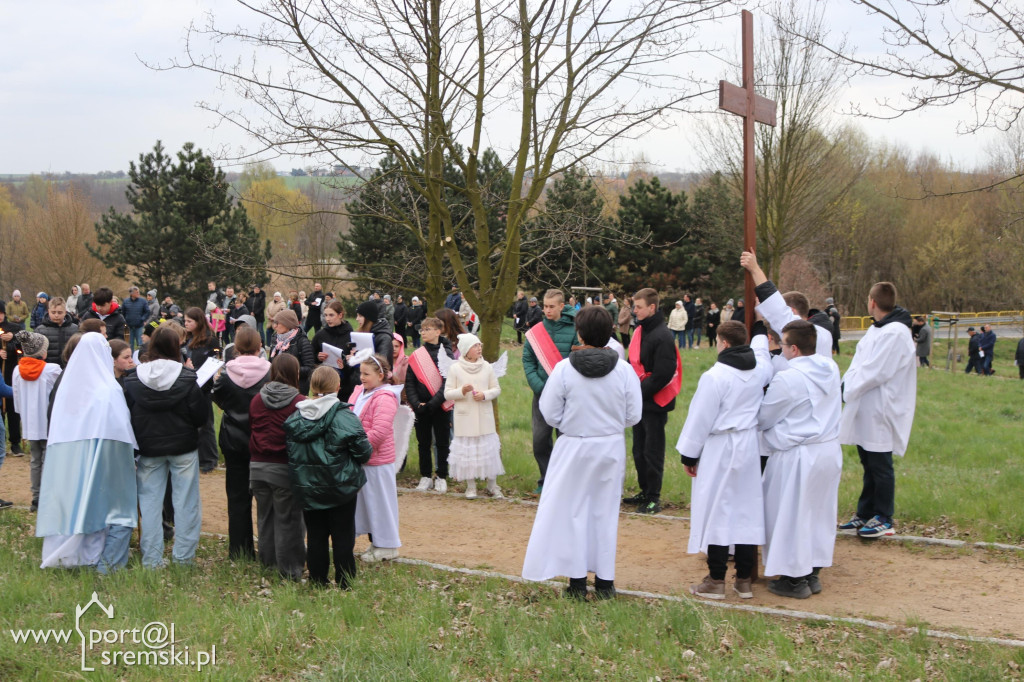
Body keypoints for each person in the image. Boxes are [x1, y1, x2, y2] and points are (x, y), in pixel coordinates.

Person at [522, 306, 642, 600]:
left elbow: (549, 412)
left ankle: (577, 584)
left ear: (580, 332)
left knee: (574, 512)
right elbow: (634, 414)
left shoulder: (564, 369)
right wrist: (607, 427)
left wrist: (575, 425)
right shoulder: (624, 371)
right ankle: (605, 584)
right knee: (604, 512)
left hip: (574, 445)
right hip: (609, 449)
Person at [675, 320, 767, 600]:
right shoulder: (760, 370)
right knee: (745, 509)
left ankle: (716, 579)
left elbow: (701, 417)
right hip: (748, 445)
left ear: (723, 343)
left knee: (718, 509)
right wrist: (761, 332)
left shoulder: (715, 376)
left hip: (721, 447)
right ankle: (743, 579)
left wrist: (689, 454)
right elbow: (762, 353)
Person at [35, 332, 138, 572]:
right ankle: (100, 559)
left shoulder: (67, 387)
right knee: (106, 506)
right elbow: (119, 425)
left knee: (75, 504)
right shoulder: (108, 388)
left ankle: (69, 556)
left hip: (69, 456)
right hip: (104, 453)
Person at [756, 320, 842, 599]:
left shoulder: (789, 377)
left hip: (798, 454)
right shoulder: (830, 367)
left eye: (781, 345)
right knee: (818, 513)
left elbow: (766, 416)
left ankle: (794, 579)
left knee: (791, 515)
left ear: (793, 348)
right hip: (827, 451)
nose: (779, 350)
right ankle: (811, 573)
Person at [124, 325, 210, 568]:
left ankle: (152, 558)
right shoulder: (185, 377)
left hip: (149, 447)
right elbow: (200, 417)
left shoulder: (134, 379)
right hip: (181, 446)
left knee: (150, 503)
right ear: (176, 347)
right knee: (186, 502)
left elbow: (128, 415)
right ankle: (183, 558)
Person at [837, 282, 916, 539]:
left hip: (882, 406)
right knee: (868, 462)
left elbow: (877, 371)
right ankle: (865, 512)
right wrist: (845, 384)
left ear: (872, 302)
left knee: (880, 464)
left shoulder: (895, 333)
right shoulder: (877, 329)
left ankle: (884, 516)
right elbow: (858, 362)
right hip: (865, 404)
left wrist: (848, 389)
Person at [284, 366, 373, 587]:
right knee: (342, 536)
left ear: (312, 387)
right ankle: (345, 582)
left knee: (316, 535)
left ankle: (317, 579)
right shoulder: (345, 417)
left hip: (308, 486)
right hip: (340, 487)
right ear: (337, 387)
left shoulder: (297, 417)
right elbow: (364, 452)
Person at [212, 326, 271, 560]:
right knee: (266, 498)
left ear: (236, 348)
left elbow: (218, 398)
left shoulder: (226, 373)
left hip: (234, 440)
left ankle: (239, 551)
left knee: (237, 498)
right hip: (262, 440)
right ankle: (268, 549)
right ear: (259, 347)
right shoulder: (270, 371)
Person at [249, 354, 307, 579]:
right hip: (283, 468)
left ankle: (268, 563)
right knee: (289, 520)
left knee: (265, 517)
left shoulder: (256, 399)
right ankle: (290, 570)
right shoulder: (298, 401)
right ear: (296, 373)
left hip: (257, 467)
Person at [624, 288, 681, 514]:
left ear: (652, 308)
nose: (634, 311)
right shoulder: (640, 331)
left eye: (638, 307)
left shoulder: (663, 335)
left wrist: (638, 392)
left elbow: (663, 374)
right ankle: (644, 490)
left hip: (655, 404)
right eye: (634, 307)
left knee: (652, 451)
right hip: (640, 402)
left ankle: (653, 497)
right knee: (638, 450)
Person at [522, 290, 577, 494]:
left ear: (562, 306)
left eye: (551, 306)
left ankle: (564, 483)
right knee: (539, 440)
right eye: (544, 306)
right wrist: (539, 386)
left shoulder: (574, 329)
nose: (546, 310)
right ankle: (545, 479)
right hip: (541, 394)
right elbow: (527, 360)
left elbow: (578, 360)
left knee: (565, 440)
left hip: (567, 397)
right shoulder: (537, 331)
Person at [348, 354, 402, 562]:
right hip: (362, 458)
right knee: (367, 503)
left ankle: (388, 545)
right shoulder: (361, 392)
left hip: (377, 460)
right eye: (360, 373)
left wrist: (357, 447)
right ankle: (377, 542)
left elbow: (379, 431)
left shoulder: (385, 397)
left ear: (381, 376)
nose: (361, 377)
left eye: (366, 374)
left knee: (381, 504)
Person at [740, 252, 834, 359]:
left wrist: (755, 269)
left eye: (786, 309)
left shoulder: (799, 332)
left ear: (791, 310)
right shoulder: (824, 333)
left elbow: (775, 307)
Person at [444, 333, 503, 499]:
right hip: (465, 418)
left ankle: (492, 485)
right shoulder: (455, 369)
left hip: (485, 418)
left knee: (488, 451)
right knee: (468, 454)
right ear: (465, 350)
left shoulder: (487, 367)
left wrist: (484, 395)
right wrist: (461, 391)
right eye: (475, 346)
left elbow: (496, 389)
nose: (479, 348)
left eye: (480, 345)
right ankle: (471, 487)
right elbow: (447, 393)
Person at [13, 331, 62, 512]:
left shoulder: (17, 370)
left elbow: (17, 401)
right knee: (49, 459)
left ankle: (36, 497)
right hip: (49, 423)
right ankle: (49, 496)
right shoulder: (52, 370)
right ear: (43, 351)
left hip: (30, 424)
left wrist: (24, 416)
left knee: (35, 460)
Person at [406, 317, 455, 492]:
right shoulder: (417, 355)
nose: (423, 332)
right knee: (423, 443)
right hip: (420, 407)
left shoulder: (447, 354)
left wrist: (432, 404)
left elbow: (447, 382)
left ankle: (442, 476)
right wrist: (416, 403)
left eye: (428, 329)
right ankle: (425, 476)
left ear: (438, 331)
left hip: (439, 406)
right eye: (422, 329)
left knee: (442, 442)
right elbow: (409, 382)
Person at [183, 307, 222, 473]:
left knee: (206, 424)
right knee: (191, 424)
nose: (186, 324)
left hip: (204, 386)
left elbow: (216, 359)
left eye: (189, 321)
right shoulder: (187, 338)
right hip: (189, 385)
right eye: (185, 321)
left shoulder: (211, 340)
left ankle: (209, 459)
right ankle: (196, 456)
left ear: (198, 322)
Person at [312, 300, 356, 399]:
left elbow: (356, 365)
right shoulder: (320, 334)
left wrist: (344, 365)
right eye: (325, 315)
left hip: (345, 386)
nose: (327, 319)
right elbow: (310, 355)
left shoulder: (351, 335)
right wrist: (318, 357)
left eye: (331, 315)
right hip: (324, 385)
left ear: (340, 315)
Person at [269, 309, 316, 396]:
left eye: (277, 323)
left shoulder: (302, 341)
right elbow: (270, 361)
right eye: (274, 323)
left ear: (287, 324)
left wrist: (289, 371)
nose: (274, 326)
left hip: (296, 389)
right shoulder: (275, 339)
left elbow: (309, 368)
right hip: (276, 387)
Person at [0, 302, 22, 456]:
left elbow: (23, 345)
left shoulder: (14, 328)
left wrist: (13, 338)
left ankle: (15, 443)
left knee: (14, 410)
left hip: (11, 372)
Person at [36, 297, 78, 367]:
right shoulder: (40, 330)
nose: (56, 315)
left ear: (65, 312)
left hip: (69, 368)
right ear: (49, 311)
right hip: (48, 369)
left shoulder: (75, 329)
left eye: (60, 312)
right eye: (53, 312)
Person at [122, 286, 151, 351]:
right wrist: (125, 320)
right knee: (129, 344)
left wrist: (142, 319)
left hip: (139, 326)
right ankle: (131, 358)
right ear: (131, 294)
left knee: (140, 343)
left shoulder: (143, 301)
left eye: (138, 292)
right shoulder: (126, 301)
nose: (138, 293)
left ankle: (140, 357)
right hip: (129, 326)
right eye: (136, 292)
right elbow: (123, 312)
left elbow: (147, 311)